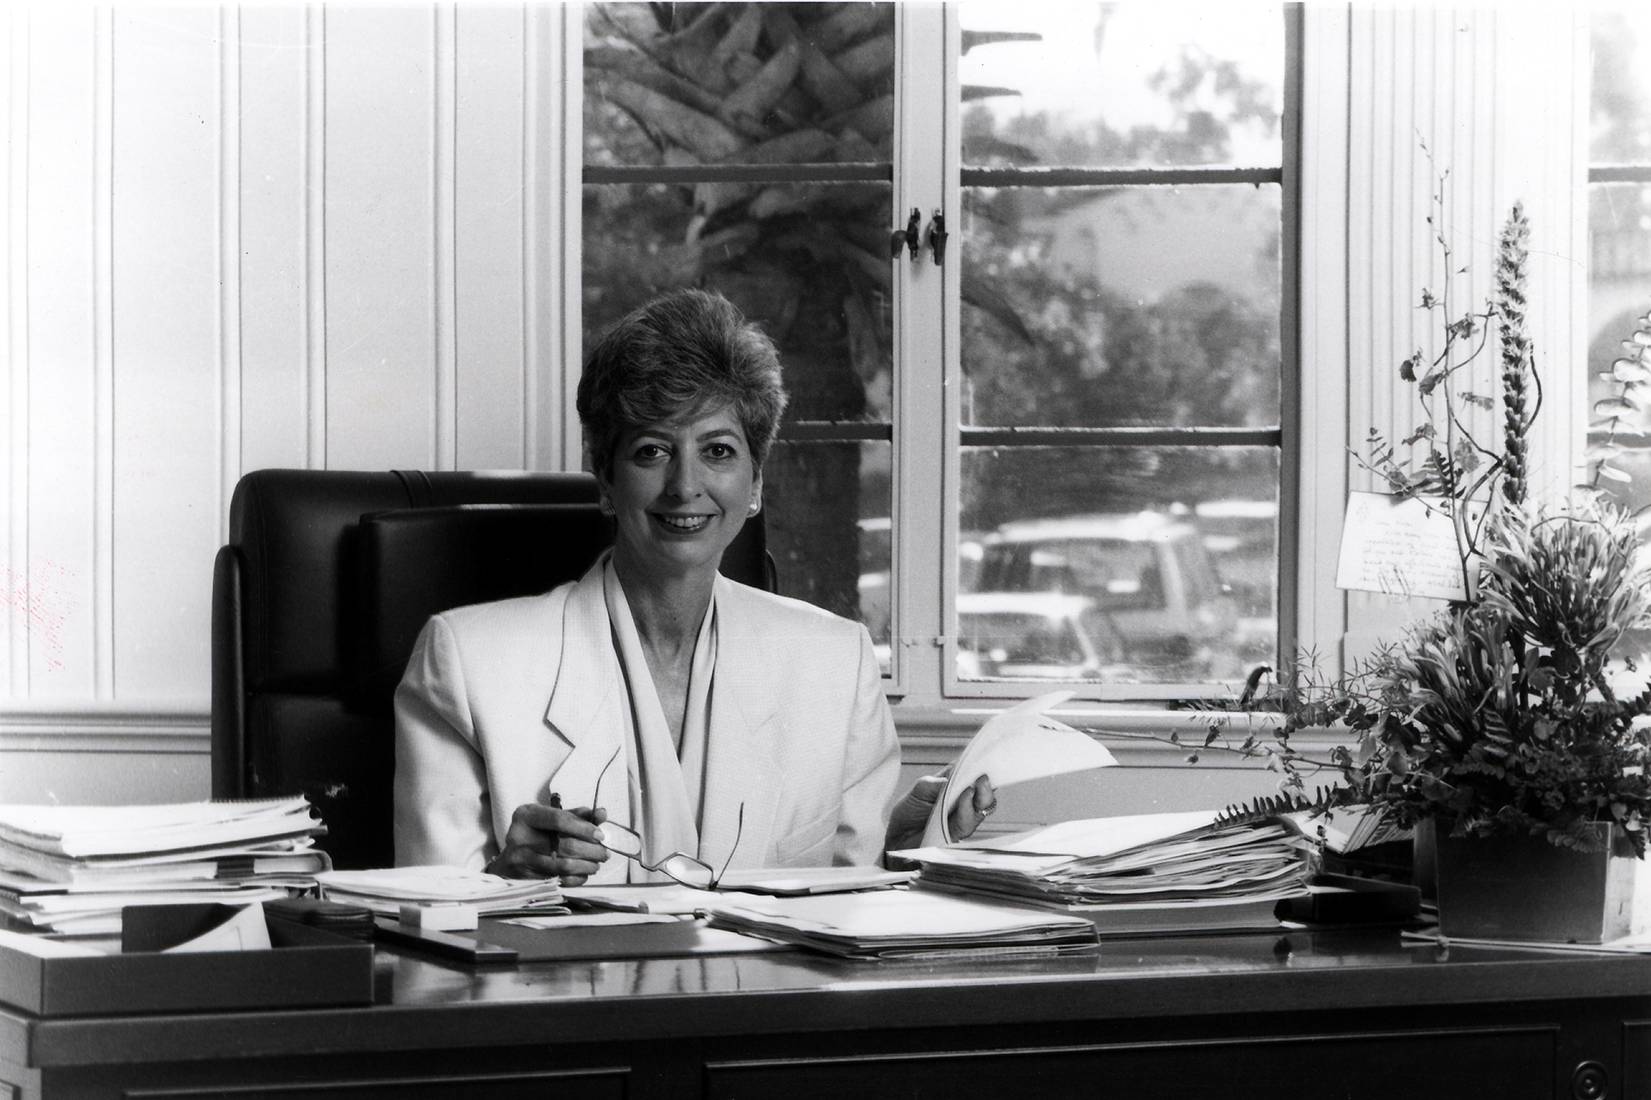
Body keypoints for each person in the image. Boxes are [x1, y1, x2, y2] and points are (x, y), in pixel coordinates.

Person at [394, 288, 991, 882]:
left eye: (718, 451)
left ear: (755, 484)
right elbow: (422, 925)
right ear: (605, 480)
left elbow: (847, 903)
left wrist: (919, 849)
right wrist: (506, 876)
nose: (685, 485)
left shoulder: (834, 663)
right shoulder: (469, 662)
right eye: (652, 451)